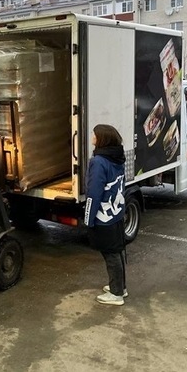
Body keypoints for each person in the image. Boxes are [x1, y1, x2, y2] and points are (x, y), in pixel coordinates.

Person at [84, 124, 127, 306]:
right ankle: (120, 287)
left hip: (104, 216)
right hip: (116, 214)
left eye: (94, 134)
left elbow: (94, 193)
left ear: (102, 138)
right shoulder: (117, 157)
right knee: (117, 250)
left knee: (110, 253)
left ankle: (116, 294)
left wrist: (88, 219)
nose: (92, 136)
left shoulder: (99, 161)